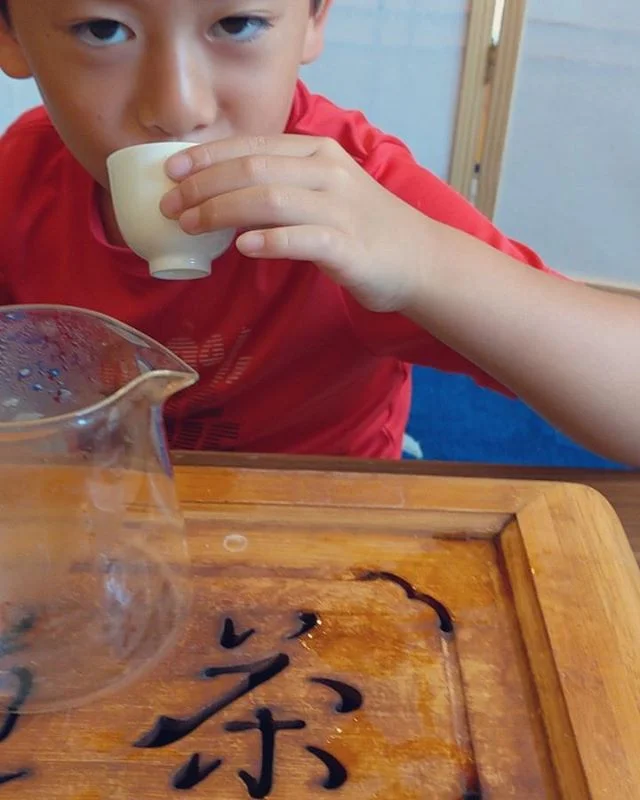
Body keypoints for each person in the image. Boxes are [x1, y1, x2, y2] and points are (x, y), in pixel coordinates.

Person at [0, 0, 638, 464]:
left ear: (314, 16)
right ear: (11, 35)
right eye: (102, 29)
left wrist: (422, 261)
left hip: (330, 509)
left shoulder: (360, 189)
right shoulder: (20, 178)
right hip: (112, 511)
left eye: (236, 23)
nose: (179, 108)